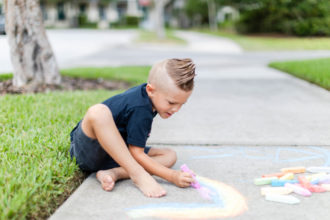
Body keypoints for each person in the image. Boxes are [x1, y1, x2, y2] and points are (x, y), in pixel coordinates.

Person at [69, 58, 196, 198]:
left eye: (181, 104)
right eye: (171, 102)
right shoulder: (140, 107)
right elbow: (137, 153)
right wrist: (172, 176)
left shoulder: (150, 100)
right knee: (98, 112)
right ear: (150, 90)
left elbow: (135, 151)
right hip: (88, 151)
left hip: (114, 155)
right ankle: (137, 174)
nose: (176, 109)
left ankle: (114, 173)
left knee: (169, 155)